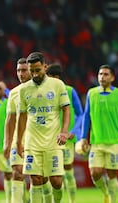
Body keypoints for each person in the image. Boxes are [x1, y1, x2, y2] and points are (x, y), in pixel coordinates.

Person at [16, 52, 71, 203]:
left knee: (56, 182)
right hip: (32, 142)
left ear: (45, 67)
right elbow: (22, 117)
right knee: (36, 179)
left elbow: (66, 109)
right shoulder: (23, 89)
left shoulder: (57, 85)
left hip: (53, 142)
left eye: (37, 70)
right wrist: (18, 141)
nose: (34, 74)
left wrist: (64, 131)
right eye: (31, 70)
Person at [79, 64, 118, 203]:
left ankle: (112, 200)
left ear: (112, 77)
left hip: (114, 141)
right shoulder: (91, 93)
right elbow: (86, 116)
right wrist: (84, 137)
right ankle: (106, 193)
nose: (102, 77)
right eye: (100, 74)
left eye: (106, 74)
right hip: (96, 142)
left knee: (111, 174)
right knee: (95, 173)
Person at [47, 64, 84, 203]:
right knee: (52, 173)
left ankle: (72, 201)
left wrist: (74, 132)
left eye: (50, 77)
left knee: (68, 171)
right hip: (49, 139)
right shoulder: (44, 92)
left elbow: (81, 114)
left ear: (57, 78)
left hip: (66, 139)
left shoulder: (69, 91)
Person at [3, 57, 32, 203]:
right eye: (18, 71)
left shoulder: (41, 90)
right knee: (17, 173)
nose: (21, 74)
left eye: (24, 70)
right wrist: (7, 143)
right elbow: (10, 120)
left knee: (37, 176)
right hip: (17, 140)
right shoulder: (13, 93)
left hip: (37, 140)